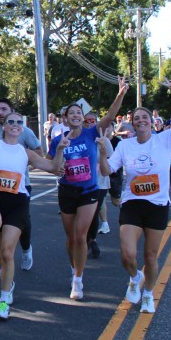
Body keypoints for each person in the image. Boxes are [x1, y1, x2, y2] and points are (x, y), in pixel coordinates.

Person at [100, 78, 171, 314]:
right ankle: (135, 277)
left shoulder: (165, 139)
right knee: (127, 255)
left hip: (157, 204)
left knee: (151, 256)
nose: (141, 120)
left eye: (145, 117)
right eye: (137, 118)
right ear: (132, 123)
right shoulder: (125, 146)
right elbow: (107, 171)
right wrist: (102, 152)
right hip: (132, 203)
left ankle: (148, 294)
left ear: (152, 121)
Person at [0, 80, 61, 318]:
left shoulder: (26, 153)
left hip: (17, 203)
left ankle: (3, 298)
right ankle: (8, 285)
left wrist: (60, 150)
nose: (16, 125)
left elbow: (52, 167)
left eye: (20, 123)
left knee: (8, 252)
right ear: (4, 126)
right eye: (11, 122)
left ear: (22, 128)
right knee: (0, 252)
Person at [48, 78, 129, 300]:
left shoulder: (92, 133)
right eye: (71, 113)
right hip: (67, 191)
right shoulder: (57, 140)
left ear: (82, 118)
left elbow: (110, 116)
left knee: (80, 235)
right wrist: (58, 161)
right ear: (65, 118)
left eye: (78, 113)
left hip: (89, 191)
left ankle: (78, 279)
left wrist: (120, 94)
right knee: (70, 239)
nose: (75, 115)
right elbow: (51, 164)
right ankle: (73, 267)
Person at [0, 98, 42, 274]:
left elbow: (39, 152)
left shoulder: (23, 130)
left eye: (4, 109)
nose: (0, 112)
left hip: (21, 185)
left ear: (11, 111)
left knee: (23, 222)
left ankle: (26, 249)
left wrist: (24, 163)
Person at [86, 117, 114, 259]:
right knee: (83, 214)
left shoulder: (104, 140)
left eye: (92, 121)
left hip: (100, 182)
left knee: (94, 212)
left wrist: (102, 154)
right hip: (82, 182)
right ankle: (84, 240)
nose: (89, 123)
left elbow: (112, 161)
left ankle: (92, 240)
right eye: (87, 121)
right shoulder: (80, 139)